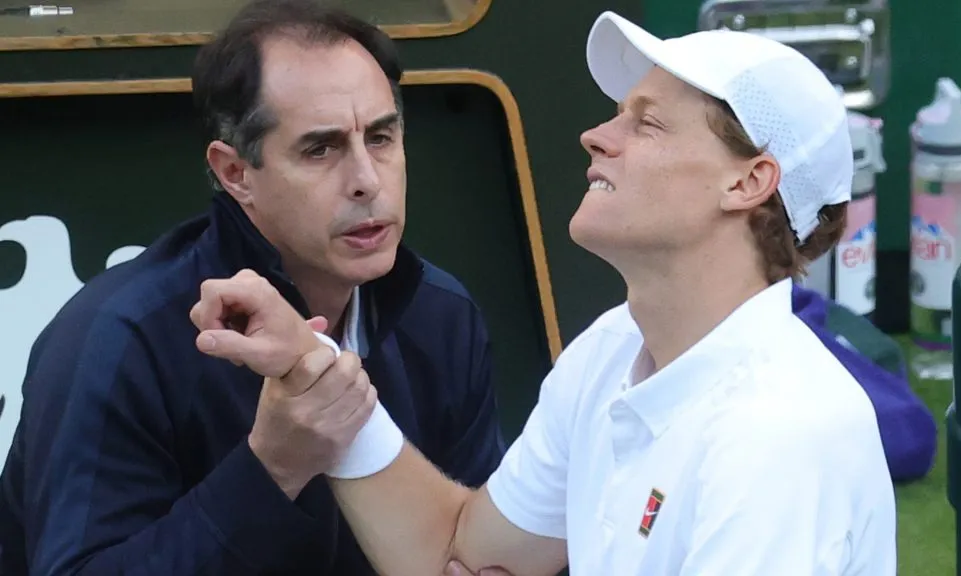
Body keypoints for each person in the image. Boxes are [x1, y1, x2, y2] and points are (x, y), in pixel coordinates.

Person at [191, 10, 898, 576]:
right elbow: (460, 554)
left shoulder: (783, 438)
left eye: (645, 122)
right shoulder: (612, 350)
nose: (596, 136)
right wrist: (317, 371)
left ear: (747, 183)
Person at [0, 0, 506, 574]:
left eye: (383, 138)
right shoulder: (118, 338)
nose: (367, 180)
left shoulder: (442, 317)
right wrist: (272, 467)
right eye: (321, 148)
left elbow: (481, 552)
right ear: (234, 172)